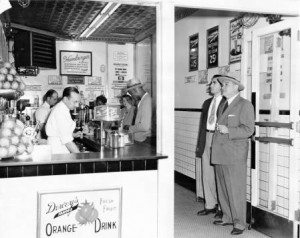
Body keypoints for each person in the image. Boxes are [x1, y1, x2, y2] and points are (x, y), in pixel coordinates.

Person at [211, 74, 255, 235]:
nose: (223, 87)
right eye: (222, 84)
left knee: (235, 189)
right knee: (222, 188)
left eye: (227, 84)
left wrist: (229, 130)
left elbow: (249, 129)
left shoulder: (245, 105)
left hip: (234, 155)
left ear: (237, 87)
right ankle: (227, 216)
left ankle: (239, 223)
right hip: (220, 153)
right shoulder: (223, 105)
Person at [195, 75, 225, 219]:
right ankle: (210, 205)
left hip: (218, 138)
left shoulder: (226, 102)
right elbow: (202, 125)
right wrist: (200, 144)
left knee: (219, 173)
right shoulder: (207, 103)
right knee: (207, 172)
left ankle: (222, 207)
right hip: (207, 136)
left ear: (221, 85)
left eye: (214, 83)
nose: (210, 85)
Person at [46, 87, 82, 154]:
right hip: (58, 150)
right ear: (65, 99)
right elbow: (67, 142)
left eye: (78, 102)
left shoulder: (63, 108)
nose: (77, 105)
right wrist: (81, 158)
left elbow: (59, 131)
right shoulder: (60, 111)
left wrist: (72, 134)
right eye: (75, 102)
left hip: (59, 148)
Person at [124, 78, 152, 143]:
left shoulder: (147, 100)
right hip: (142, 139)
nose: (132, 96)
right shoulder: (143, 100)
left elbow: (145, 127)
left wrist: (129, 128)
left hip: (145, 140)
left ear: (135, 90)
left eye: (131, 93)